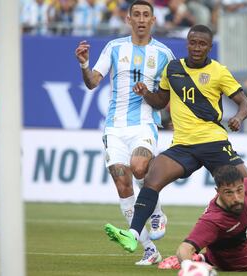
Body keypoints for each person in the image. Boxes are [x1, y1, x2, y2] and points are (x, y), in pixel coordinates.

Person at [104, 24, 247, 255]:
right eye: (192, 42)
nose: (196, 47)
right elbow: (160, 101)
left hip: (214, 143)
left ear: (209, 47)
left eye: (202, 44)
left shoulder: (219, 71)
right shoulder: (173, 68)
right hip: (183, 145)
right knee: (151, 180)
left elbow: (244, 103)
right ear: (187, 43)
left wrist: (238, 118)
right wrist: (145, 94)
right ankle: (133, 235)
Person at [74, 0, 175, 265]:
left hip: (144, 124)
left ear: (153, 21)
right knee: (122, 183)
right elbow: (93, 82)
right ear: (128, 19)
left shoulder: (164, 54)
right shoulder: (114, 47)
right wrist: (84, 65)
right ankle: (149, 249)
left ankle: (156, 209)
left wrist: (148, 94)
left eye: (146, 15)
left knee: (140, 167)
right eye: (137, 15)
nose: (141, 19)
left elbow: (165, 100)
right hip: (114, 127)